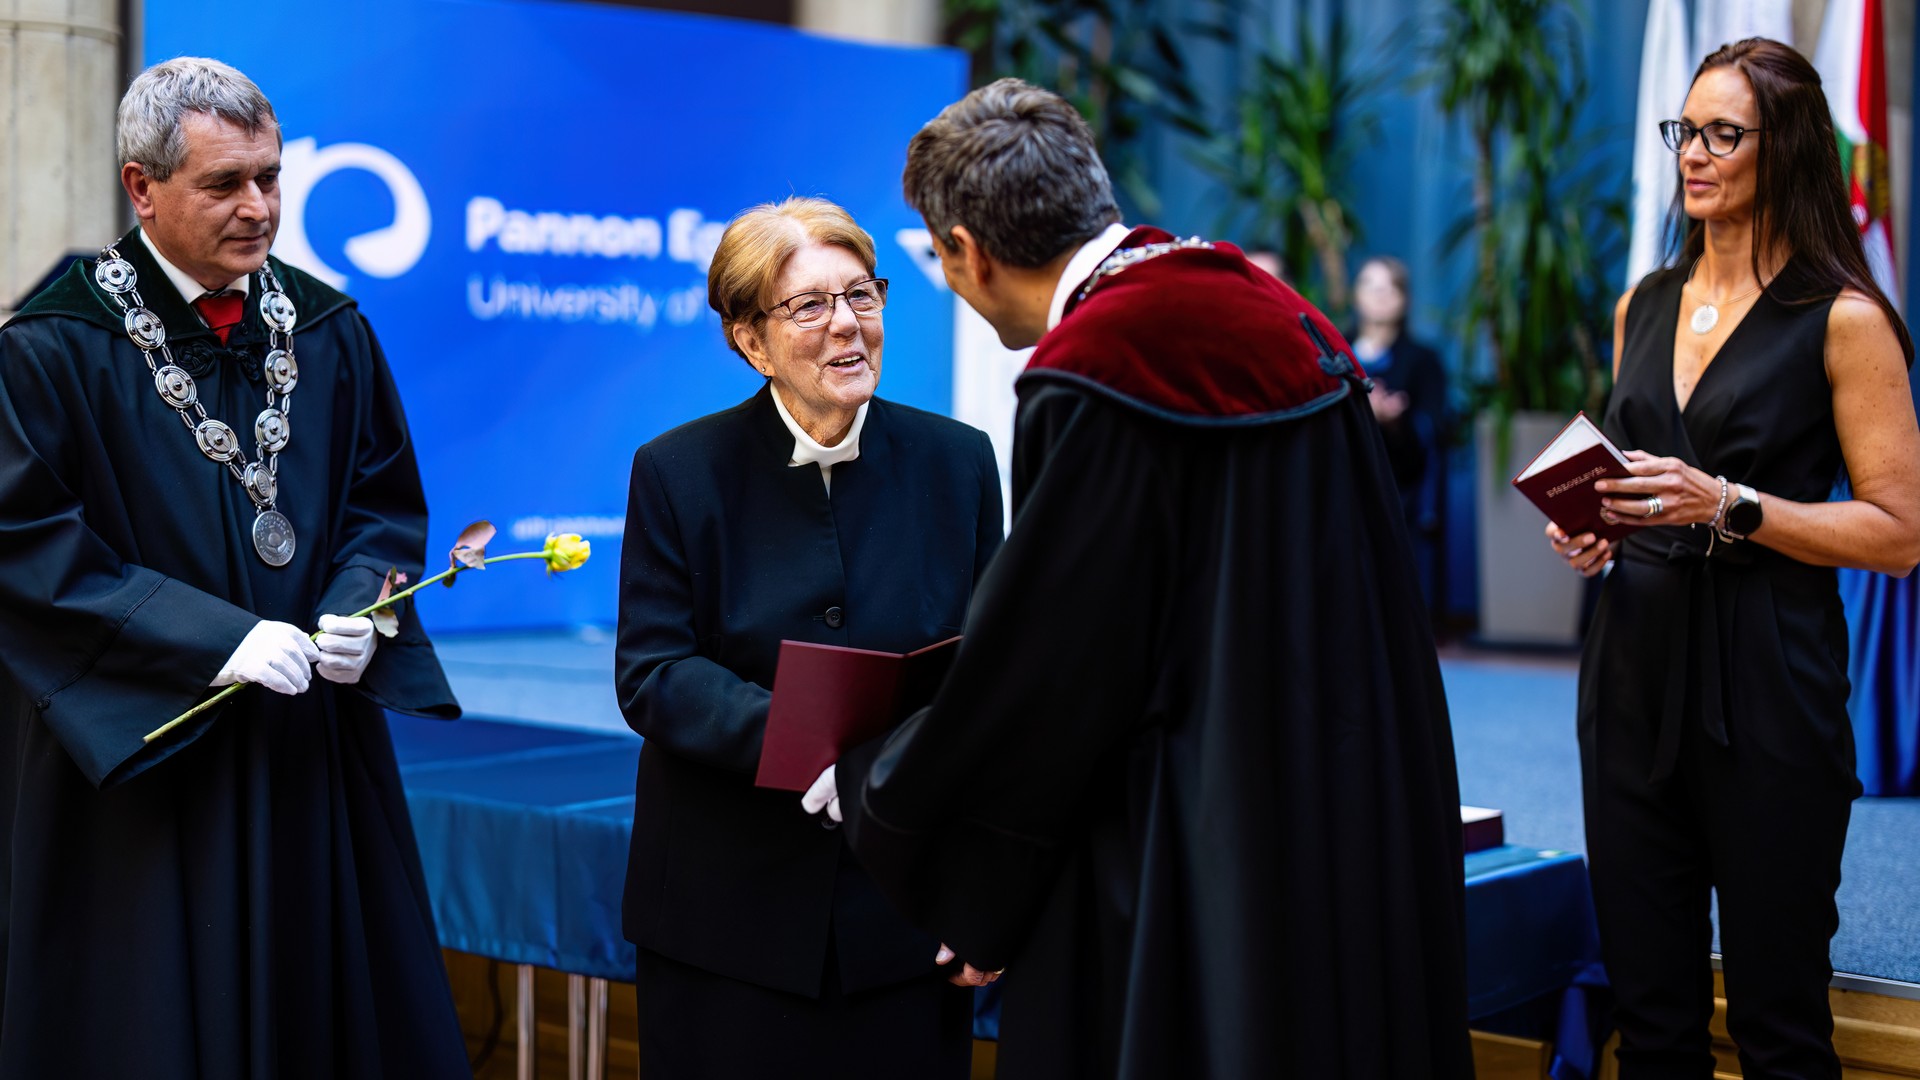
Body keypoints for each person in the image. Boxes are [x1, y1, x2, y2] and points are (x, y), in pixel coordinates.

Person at [834, 78, 1474, 1078]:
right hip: (1344, 805)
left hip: (1196, 842)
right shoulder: (1286, 317)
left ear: (966, 250)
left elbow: (1054, 676)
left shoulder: (1094, 369)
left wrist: (888, 790)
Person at [0, 58, 467, 1076]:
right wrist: (217, 639)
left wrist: (362, 613)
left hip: (305, 749)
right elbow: (27, 545)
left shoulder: (331, 329)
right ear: (141, 187)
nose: (258, 208)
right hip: (143, 763)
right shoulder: (50, 345)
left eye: (269, 176)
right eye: (224, 184)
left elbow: (382, 509)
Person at [1546, 38, 1920, 1077]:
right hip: (1630, 675)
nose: (1693, 155)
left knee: (1779, 1024)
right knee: (1650, 1019)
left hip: (1770, 681)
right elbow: (1636, 480)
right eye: (1686, 130)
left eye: (1723, 134)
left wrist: (1732, 505)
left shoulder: (1843, 318)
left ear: (1785, 147)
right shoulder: (1642, 303)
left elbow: (1900, 533)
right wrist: (1597, 526)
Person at [615, 196, 1003, 1078]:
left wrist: (982, 882)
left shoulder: (960, 461)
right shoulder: (677, 470)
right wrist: (808, 743)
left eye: (861, 294)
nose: (847, 325)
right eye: (809, 305)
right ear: (751, 342)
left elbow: (992, 681)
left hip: (902, 915)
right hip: (725, 919)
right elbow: (654, 672)